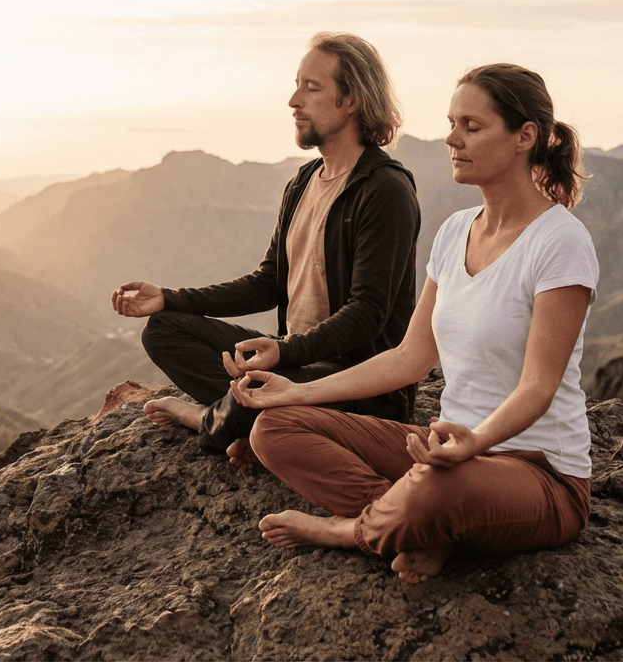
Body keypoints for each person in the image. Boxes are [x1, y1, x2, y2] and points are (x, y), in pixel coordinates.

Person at [230, 63, 598, 585]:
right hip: (443, 453)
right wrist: (297, 393)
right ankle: (418, 529)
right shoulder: (454, 232)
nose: (452, 138)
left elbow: (538, 386)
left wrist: (474, 443)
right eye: (452, 123)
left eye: (472, 126)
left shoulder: (560, 241)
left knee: (432, 488)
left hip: (538, 472)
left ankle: (349, 530)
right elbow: (410, 358)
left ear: (526, 137)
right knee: (275, 428)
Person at [111, 32, 422, 467]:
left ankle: (211, 419)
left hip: (354, 382)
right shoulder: (302, 183)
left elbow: (368, 314)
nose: (294, 100)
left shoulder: (384, 190)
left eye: (312, 88)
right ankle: (247, 418)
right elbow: (269, 282)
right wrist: (169, 298)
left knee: (257, 388)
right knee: (164, 330)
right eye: (297, 85)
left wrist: (286, 354)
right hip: (293, 359)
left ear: (351, 100)